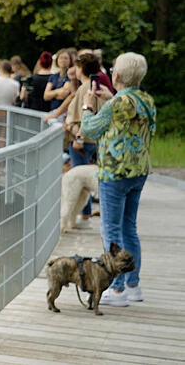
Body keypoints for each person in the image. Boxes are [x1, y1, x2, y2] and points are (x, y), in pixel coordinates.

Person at [81, 52, 155, 306]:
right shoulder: (144, 99)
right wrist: (111, 99)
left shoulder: (117, 103)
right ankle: (133, 285)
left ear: (118, 76)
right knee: (129, 228)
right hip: (139, 171)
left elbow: (89, 129)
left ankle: (118, 289)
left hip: (114, 172)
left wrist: (88, 106)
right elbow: (129, 115)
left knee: (111, 231)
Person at [65, 53, 104, 219]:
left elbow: (84, 115)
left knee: (79, 183)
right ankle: (84, 215)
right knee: (83, 182)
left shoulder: (85, 88)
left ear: (81, 69)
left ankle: (83, 215)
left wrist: (78, 138)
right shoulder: (95, 86)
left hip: (82, 141)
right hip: (92, 140)